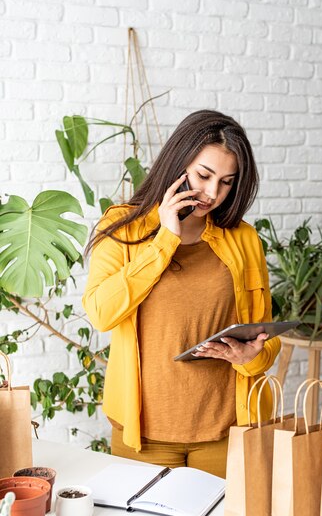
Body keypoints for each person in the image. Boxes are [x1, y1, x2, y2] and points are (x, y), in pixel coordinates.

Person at [82, 109, 281, 478]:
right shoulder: (122, 227)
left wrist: (250, 356)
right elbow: (101, 312)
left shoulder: (244, 239)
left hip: (227, 428)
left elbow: (264, 338)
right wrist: (165, 239)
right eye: (204, 175)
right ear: (179, 163)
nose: (212, 193)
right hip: (144, 432)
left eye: (226, 182)